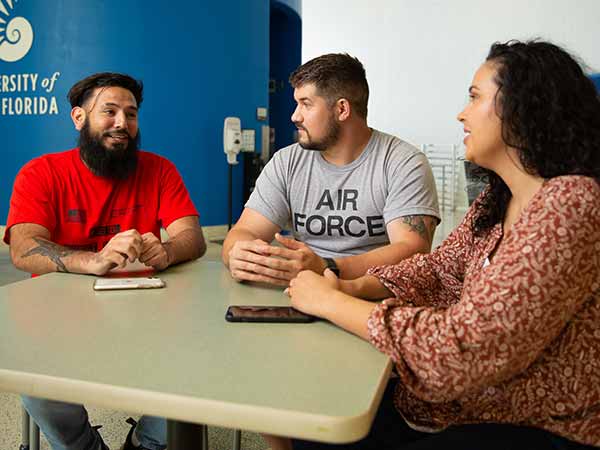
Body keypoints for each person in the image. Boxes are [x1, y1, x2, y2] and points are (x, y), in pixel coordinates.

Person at [286, 40, 600, 449]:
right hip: (465, 406)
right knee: (316, 413)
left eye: (474, 97)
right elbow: (439, 267)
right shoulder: (498, 198)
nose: (461, 113)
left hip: (535, 426)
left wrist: (331, 303)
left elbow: (461, 350)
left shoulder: (570, 203)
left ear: (526, 107)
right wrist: (348, 287)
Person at [3, 72, 206, 450]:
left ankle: (145, 443)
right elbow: (23, 247)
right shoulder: (41, 172)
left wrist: (168, 250)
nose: (122, 124)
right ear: (79, 118)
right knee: (35, 384)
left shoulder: (159, 169)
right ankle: (83, 446)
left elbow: (191, 237)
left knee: (195, 375)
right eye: (108, 111)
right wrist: (92, 260)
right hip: (57, 321)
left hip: (149, 316)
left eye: (131, 114)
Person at [223, 53, 440, 289]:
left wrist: (327, 267)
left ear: (342, 109)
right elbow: (244, 231)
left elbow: (412, 251)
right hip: (303, 292)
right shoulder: (286, 162)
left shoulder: (403, 162)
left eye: (306, 104)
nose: (294, 116)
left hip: (374, 297)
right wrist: (238, 254)